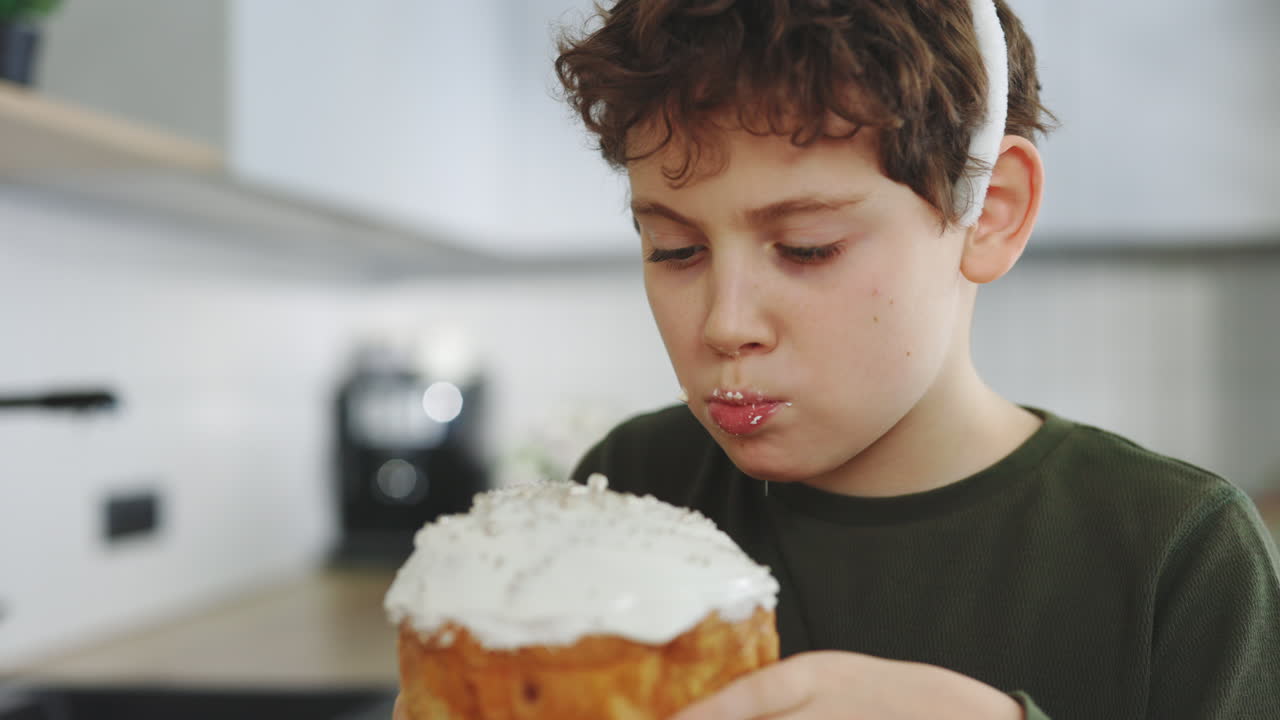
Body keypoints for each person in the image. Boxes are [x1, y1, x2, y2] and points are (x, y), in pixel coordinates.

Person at [546, 0, 1280, 719]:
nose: (725, 324)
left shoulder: (1180, 554)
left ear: (988, 212)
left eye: (807, 246)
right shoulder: (633, 489)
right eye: (676, 250)